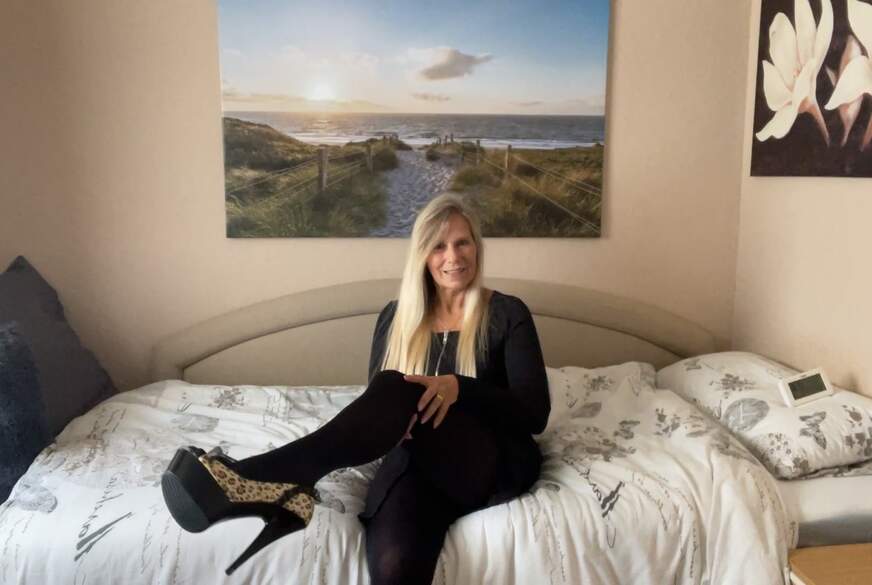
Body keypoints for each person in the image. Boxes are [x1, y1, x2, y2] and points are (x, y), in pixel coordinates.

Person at [161, 192, 551, 583]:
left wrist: (460, 388)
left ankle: (257, 476)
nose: (453, 256)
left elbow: (534, 414)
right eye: (438, 246)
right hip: (417, 463)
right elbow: (377, 412)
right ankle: (275, 481)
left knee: (400, 388)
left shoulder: (506, 313)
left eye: (462, 242)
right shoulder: (395, 318)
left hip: (487, 460)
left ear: (477, 247)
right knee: (395, 564)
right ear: (422, 255)